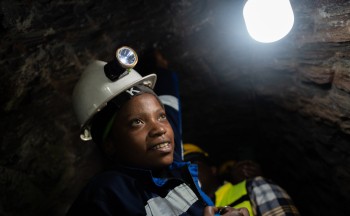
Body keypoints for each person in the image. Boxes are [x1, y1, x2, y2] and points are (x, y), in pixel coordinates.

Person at [66, 46, 249, 216]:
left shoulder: (175, 170)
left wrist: (163, 70)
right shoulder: (105, 195)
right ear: (110, 144)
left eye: (161, 117)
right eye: (137, 122)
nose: (159, 129)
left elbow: (170, 109)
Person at [183, 143, 300, 216]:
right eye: (180, 170)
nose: (186, 172)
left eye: (191, 164)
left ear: (212, 170)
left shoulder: (254, 186)